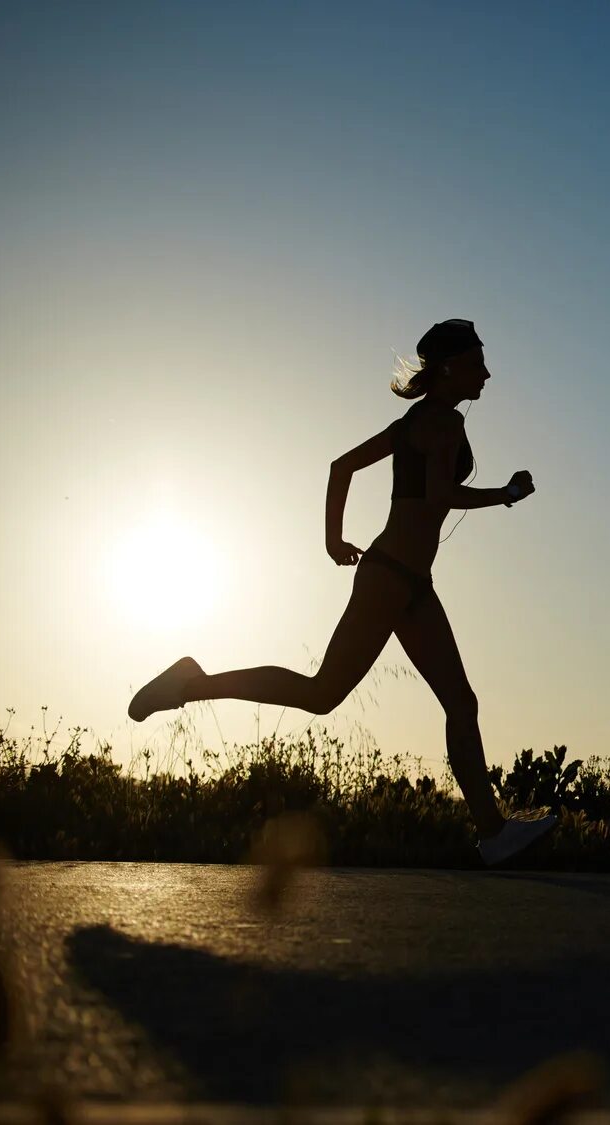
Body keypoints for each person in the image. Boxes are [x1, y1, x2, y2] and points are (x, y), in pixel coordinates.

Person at [127, 319, 555, 866]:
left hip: (406, 580)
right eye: (477, 363)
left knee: (459, 701)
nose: (488, 373)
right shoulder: (441, 423)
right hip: (391, 577)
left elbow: (342, 467)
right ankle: (192, 682)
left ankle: (492, 832)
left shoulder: (416, 421)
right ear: (449, 369)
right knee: (322, 693)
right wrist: (508, 493)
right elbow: (440, 494)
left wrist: (334, 541)